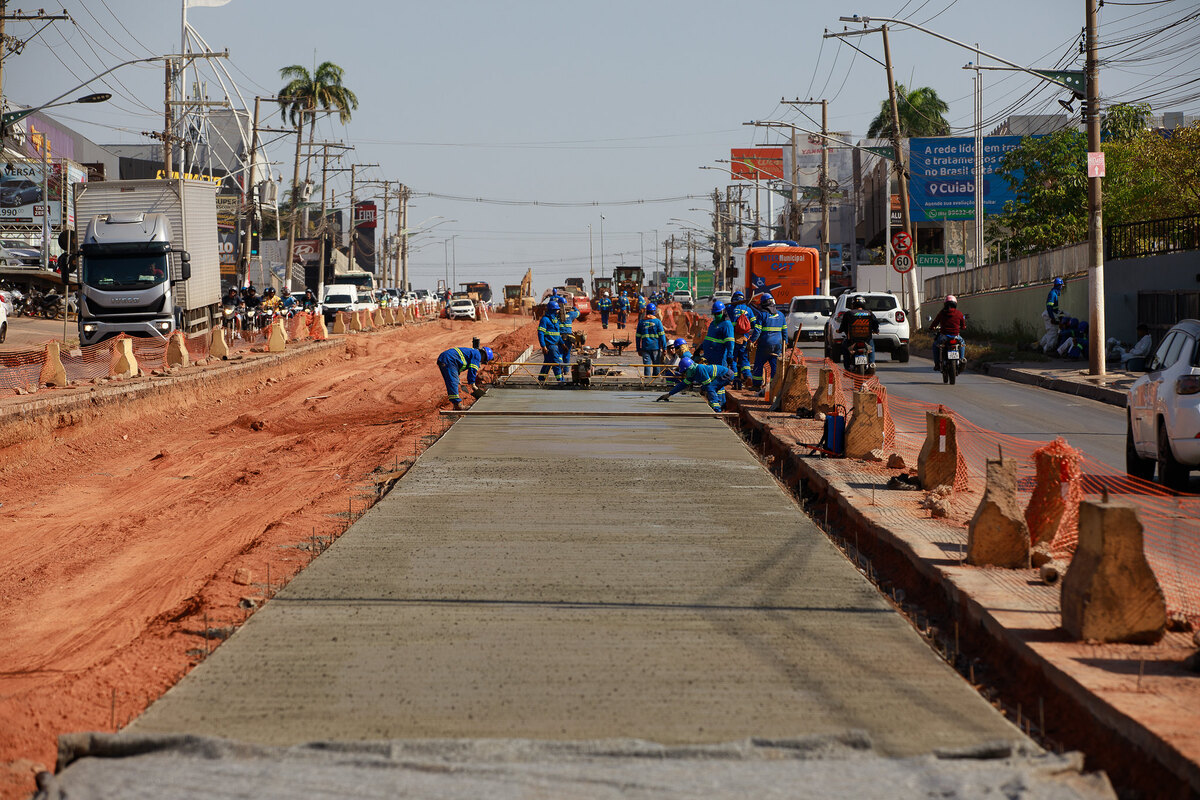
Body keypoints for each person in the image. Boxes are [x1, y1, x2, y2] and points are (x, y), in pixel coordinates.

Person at [656, 356, 737, 411]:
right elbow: (682, 385)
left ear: (689, 368)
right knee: (711, 388)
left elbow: (708, 385)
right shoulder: (692, 374)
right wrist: (669, 394)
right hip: (722, 376)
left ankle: (717, 410)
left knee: (710, 388)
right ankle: (717, 404)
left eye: (685, 372)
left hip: (726, 375)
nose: (685, 374)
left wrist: (702, 389)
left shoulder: (699, 368)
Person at [749, 293, 787, 392]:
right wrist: (785, 342)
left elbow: (757, 331)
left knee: (758, 363)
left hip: (764, 344)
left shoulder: (762, 315)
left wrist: (751, 341)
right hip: (778, 345)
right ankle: (773, 386)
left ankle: (757, 385)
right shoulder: (781, 315)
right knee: (774, 365)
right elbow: (784, 331)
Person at [437, 345, 493, 410]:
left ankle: (456, 406)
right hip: (449, 359)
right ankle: (458, 406)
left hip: (446, 359)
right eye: (484, 361)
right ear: (484, 356)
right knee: (453, 382)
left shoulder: (474, 352)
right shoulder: (477, 355)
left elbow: (459, 363)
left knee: (453, 381)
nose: (481, 362)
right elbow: (472, 370)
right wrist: (473, 384)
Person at [837, 295, 880, 371]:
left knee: (845, 348)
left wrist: (839, 330)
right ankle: (871, 363)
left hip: (852, 340)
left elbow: (843, 326)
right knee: (871, 347)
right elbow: (875, 323)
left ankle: (847, 367)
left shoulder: (849, 313)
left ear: (853, 304)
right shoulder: (869, 313)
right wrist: (876, 330)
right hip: (866, 339)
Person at [725, 290, 755, 386]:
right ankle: (748, 376)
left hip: (733, 339)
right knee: (744, 359)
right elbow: (754, 324)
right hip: (745, 339)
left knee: (733, 358)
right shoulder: (748, 309)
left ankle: (735, 377)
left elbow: (724, 322)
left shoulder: (729, 308)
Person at [929, 295, 967, 371]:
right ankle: (962, 359)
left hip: (944, 336)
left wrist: (931, 327)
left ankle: (937, 364)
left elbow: (935, 322)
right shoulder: (959, 313)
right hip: (956, 336)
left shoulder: (942, 313)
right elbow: (963, 325)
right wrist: (963, 327)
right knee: (962, 343)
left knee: (935, 345)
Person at [700, 300, 735, 370]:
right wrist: (700, 348)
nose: (716, 315)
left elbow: (730, 342)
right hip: (709, 356)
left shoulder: (727, 324)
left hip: (719, 357)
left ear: (723, 312)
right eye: (715, 314)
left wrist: (730, 355)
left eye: (718, 313)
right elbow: (708, 338)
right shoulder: (713, 324)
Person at [635, 301, 667, 377]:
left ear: (646, 312)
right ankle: (655, 382)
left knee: (647, 366)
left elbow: (638, 337)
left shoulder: (641, 322)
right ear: (654, 312)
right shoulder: (657, 322)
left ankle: (647, 382)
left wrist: (638, 349)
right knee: (656, 365)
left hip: (645, 348)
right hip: (655, 347)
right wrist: (664, 348)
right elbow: (662, 336)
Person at [538, 299, 565, 383]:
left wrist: (563, 344)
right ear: (552, 310)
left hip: (555, 345)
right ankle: (560, 381)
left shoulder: (555, 320)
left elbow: (557, 334)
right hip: (550, 346)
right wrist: (543, 346)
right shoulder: (545, 320)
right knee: (557, 363)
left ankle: (541, 380)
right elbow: (540, 333)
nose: (558, 311)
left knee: (548, 363)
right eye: (556, 309)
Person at [1039, 277, 1065, 354]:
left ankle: (1039, 346)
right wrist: (1052, 318)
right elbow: (1049, 307)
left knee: (1050, 333)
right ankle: (1046, 351)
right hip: (1050, 315)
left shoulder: (1053, 293)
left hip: (1050, 314)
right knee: (1053, 333)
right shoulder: (1053, 294)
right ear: (1059, 286)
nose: (1061, 288)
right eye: (1061, 286)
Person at [559, 301, 580, 365]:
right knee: (567, 353)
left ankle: (559, 367)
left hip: (560, 337)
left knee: (560, 353)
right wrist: (575, 308)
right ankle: (566, 370)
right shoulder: (571, 314)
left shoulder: (556, 315)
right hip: (569, 337)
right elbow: (578, 313)